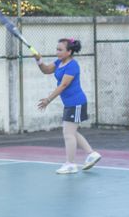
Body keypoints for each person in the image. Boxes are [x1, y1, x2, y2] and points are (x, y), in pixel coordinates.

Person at [34, 38, 101, 174]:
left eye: (60, 50)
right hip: (71, 104)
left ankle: (70, 164)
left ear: (69, 51)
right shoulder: (60, 62)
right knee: (72, 132)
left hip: (76, 103)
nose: (57, 52)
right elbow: (46, 70)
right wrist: (39, 60)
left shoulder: (72, 66)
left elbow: (63, 85)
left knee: (68, 133)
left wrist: (48, 99)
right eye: (57, 49)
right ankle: (91, 154)